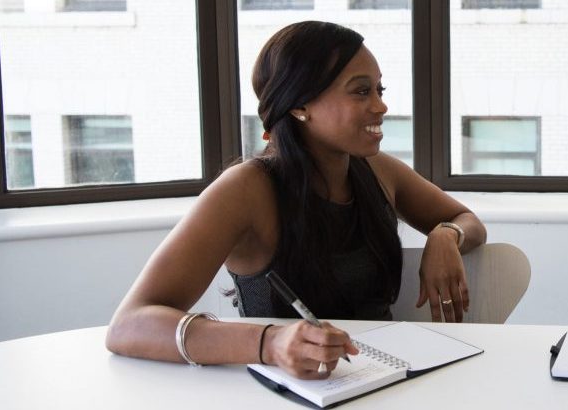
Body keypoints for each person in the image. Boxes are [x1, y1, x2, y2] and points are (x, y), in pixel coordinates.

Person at [106, 21, 486, 379]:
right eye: (360, 91)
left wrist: (445, 234)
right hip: (280, 391)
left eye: (379, 90)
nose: (381, 106)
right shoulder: (245, 189)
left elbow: (465, 219)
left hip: (377, 381)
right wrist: (272, 343)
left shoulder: (378, 169)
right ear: (300, 104)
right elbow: (128, 325)